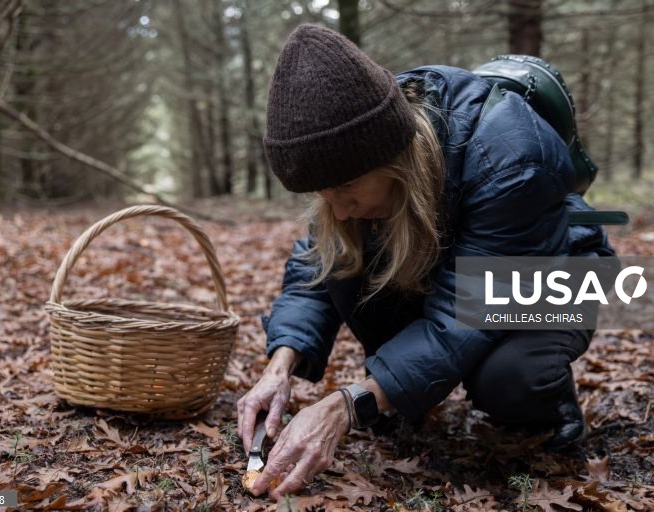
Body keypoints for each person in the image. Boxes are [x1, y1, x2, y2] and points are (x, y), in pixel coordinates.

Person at [236, 24, 613, 500]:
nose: (336, 209)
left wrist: (349, 405)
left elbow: (466, 312)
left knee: (509, 379)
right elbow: (313, 269)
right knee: (347, 268)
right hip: (462, 270)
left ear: (394, 163)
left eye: (347, 192)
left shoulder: (513, 159)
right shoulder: (353, 134)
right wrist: (280, 364)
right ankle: (397, 389)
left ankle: (550, 403)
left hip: (556, 271)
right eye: (322, 195)